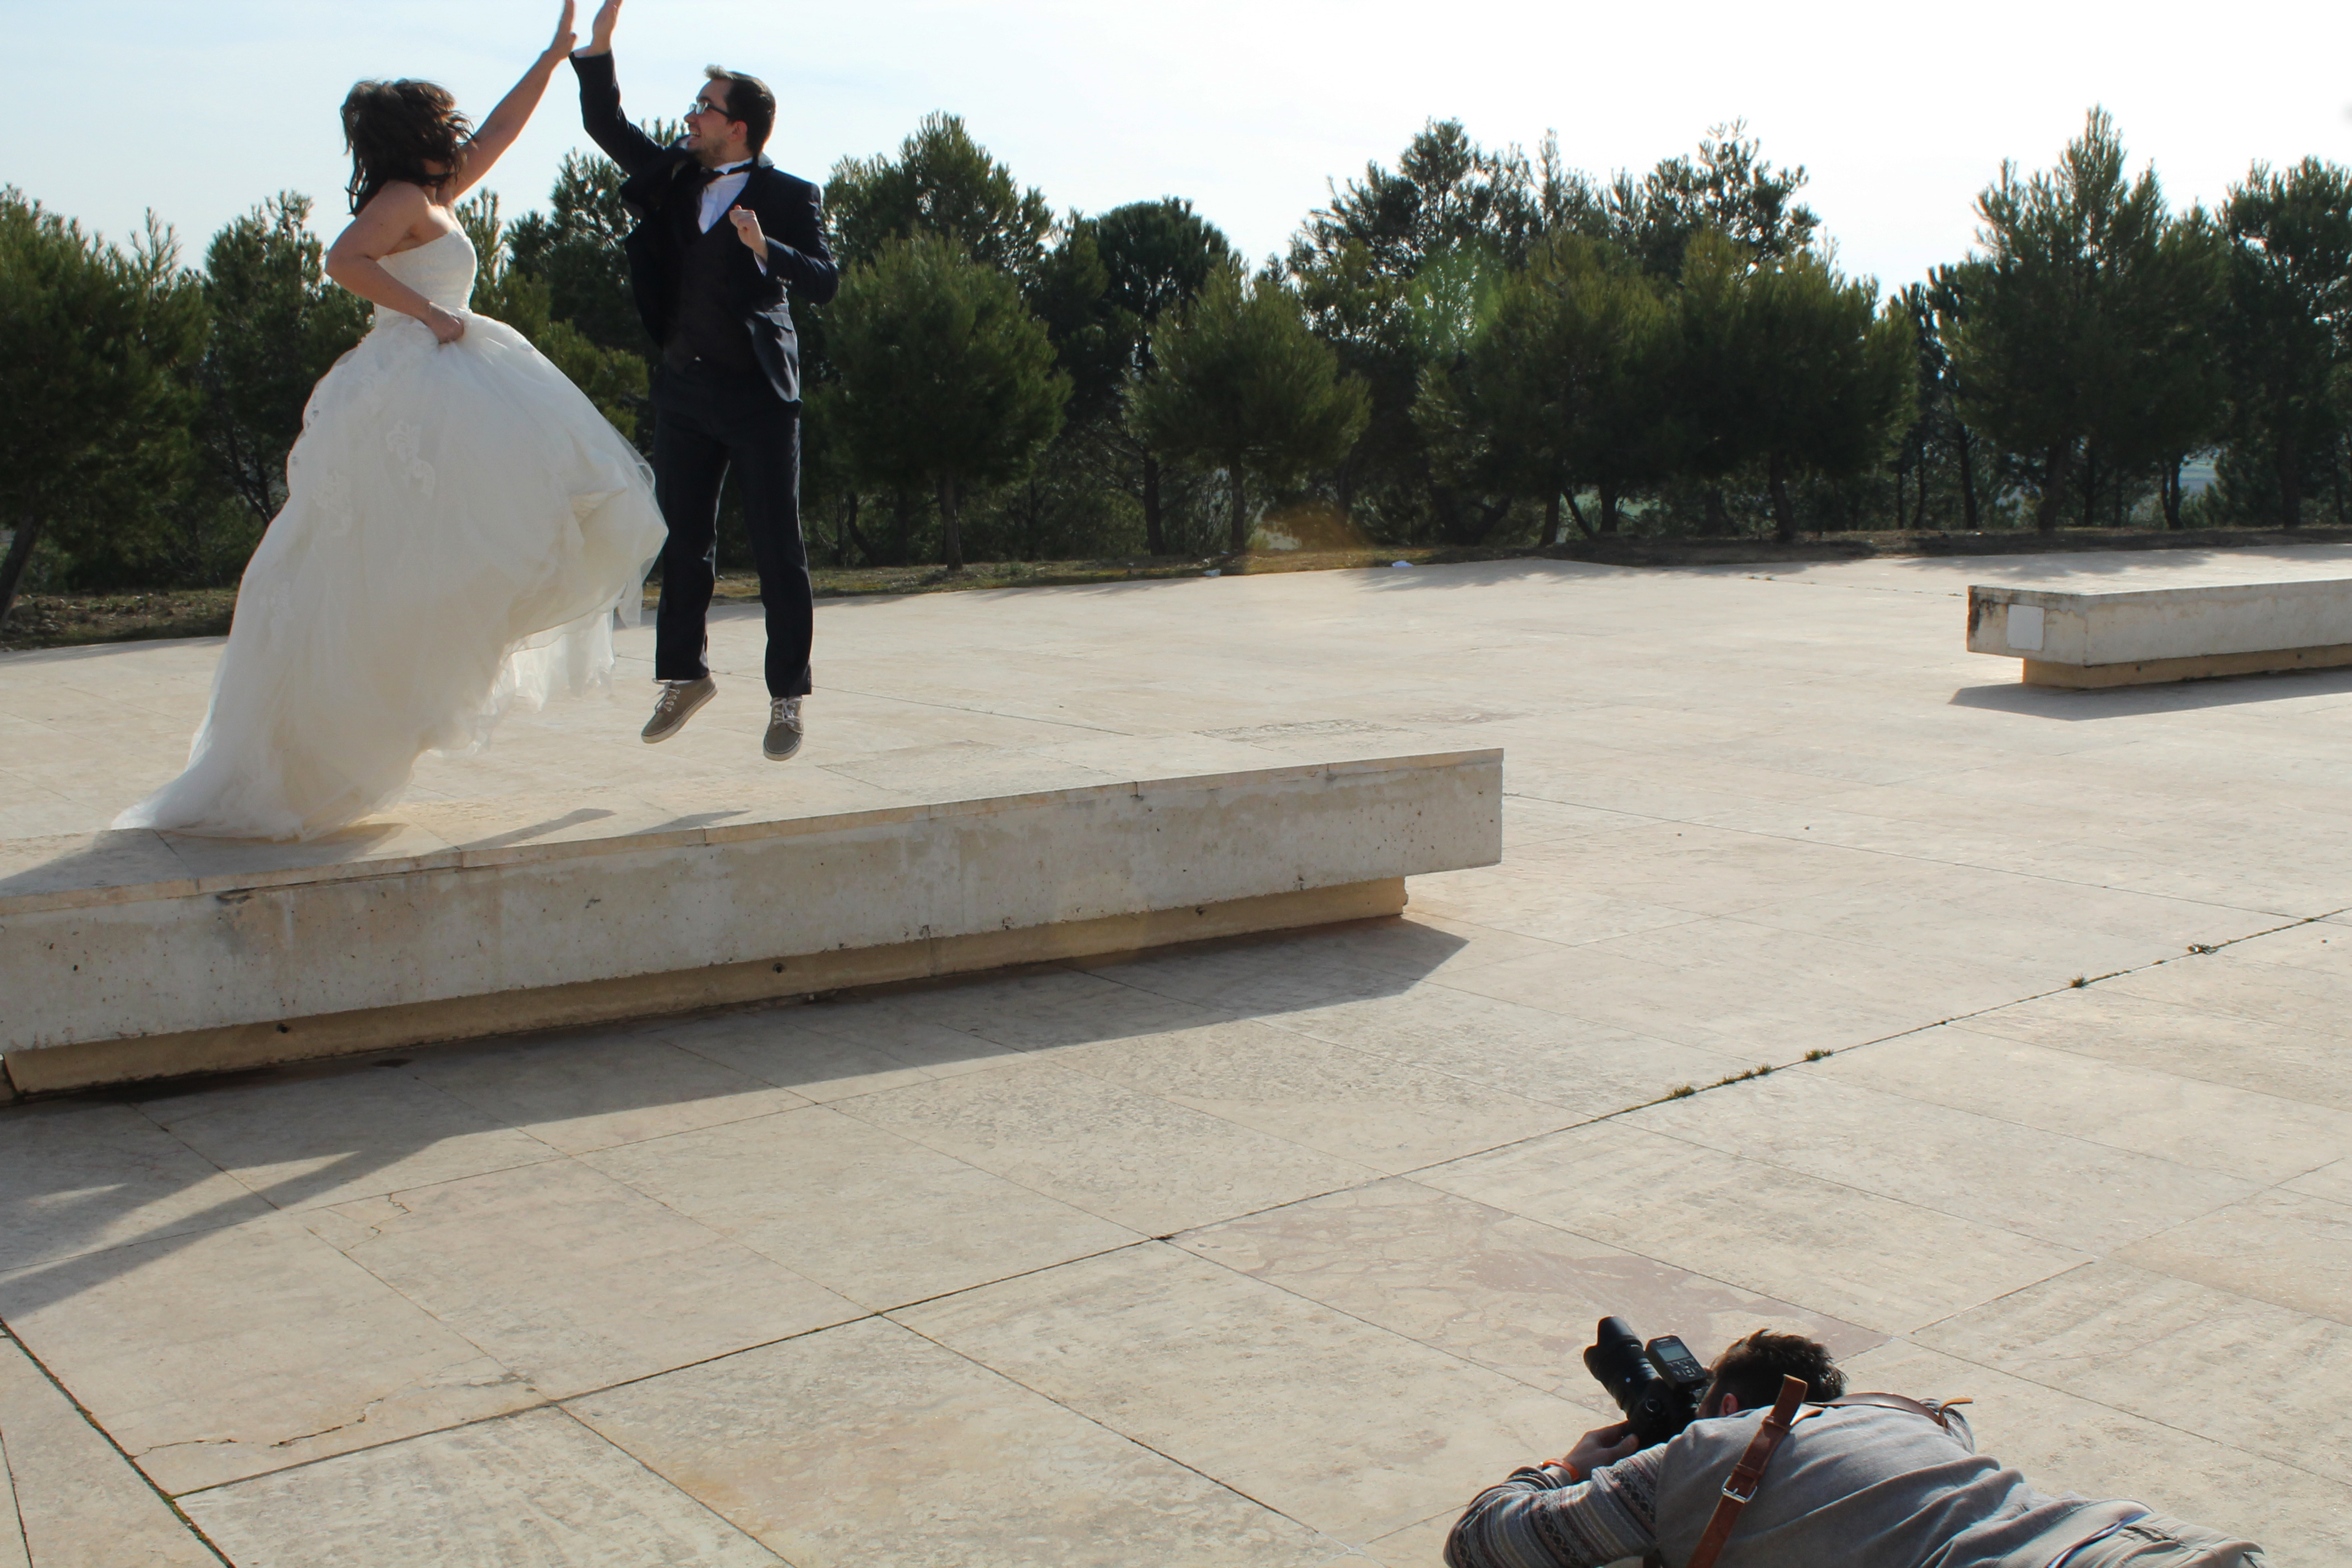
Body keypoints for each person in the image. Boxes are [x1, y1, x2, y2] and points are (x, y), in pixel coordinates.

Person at [115, 2, 667, 842]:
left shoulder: (435, 192)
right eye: (443, 121)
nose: (458, 130)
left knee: (490, 528)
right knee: (392, 559)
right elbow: (342, 259)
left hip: (451, 370)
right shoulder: (404, 196)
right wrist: (430, 315)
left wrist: (555, 57)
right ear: (415, 133)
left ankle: (414, 682)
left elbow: (502, 135)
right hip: (418, 369)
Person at [567, 0, 839, 761]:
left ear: (739, 126)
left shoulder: (790, 196)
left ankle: (787, 697)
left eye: (704, 108)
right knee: (681, 541)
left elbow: (824, 281)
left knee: (778, 545)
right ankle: (684, 676)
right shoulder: (679, 178)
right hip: (684, 389)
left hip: (758, 393)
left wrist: (767, 248)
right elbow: (608, 130)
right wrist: (598, 53)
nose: (691, 118)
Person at [1445, 1330, 2264, 1568]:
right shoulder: (1914, 1418)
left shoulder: (1705, 1454)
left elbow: (1482, 1545)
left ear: (1727, 1409)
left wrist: (1568, 1468)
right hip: (2156, 1547)